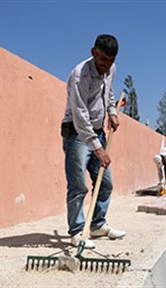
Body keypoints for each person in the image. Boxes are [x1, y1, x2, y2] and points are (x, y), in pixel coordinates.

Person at [61, 34, 125, 249]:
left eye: (111, 61)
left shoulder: (111, 69)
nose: (106, 66)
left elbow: (109, 94)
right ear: (93, 53)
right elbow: (80, 116)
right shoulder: (80, 75)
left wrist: (112, 112)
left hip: (98, 132)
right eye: (103, 61)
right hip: (77, 134)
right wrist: (97, 148)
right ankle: (78, 231)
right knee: (78, 186)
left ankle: (97, 225)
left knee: (105, 183)